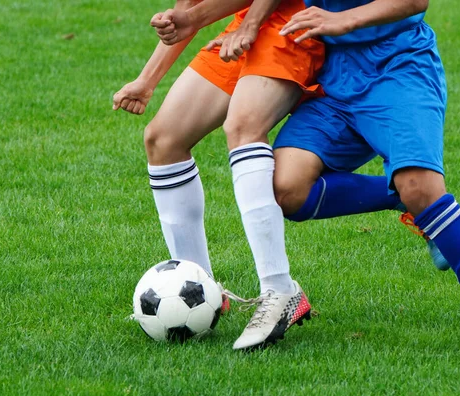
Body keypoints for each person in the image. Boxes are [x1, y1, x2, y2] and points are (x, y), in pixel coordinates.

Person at [264, 0, 460, 357]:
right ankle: (404, 200)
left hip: (398, 66)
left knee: (421, 187)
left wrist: (341, 20)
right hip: (333, 79)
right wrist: (196, 17)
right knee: (287, 188)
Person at [113, 0, 325, 350]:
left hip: (296, 22)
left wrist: (225, 20)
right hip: (248, 22)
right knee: (163, 139)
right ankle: (201, 287)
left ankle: (279, 288)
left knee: (243, 126)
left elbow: (193, 14)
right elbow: (188, 9)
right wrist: (147, 80)